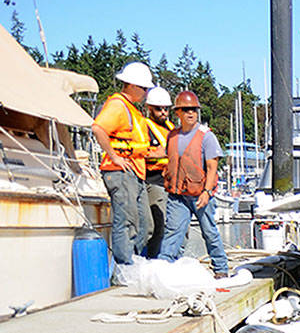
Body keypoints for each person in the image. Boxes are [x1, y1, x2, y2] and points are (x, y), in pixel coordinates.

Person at [156, 90, 228, 277]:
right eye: (186, 110)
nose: (191, 113)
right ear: (177, 112)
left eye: (194, 110)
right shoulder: (172, 135)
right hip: (178, 195)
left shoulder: (206, 136)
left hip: (200, 194)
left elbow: (212, 167)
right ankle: (164, 270)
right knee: (173, 232)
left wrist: (207, 192)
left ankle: (221, 269)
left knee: (209, 232)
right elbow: (165, 155)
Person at [91, 61, 153, 266]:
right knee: (126, 222)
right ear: (132, 86)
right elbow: (98, 128)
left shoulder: (132, 110)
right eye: (144, 88)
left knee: (144, 224)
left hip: (136, 171)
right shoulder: (118, 106)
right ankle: (125, 268)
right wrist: (115, 156)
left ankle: (133, 261)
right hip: (121, 171)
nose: (146, 93)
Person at [140, 87, 174, 258]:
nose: (163, 113)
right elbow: (139, 151)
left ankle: (167, 258)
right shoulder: (144, 127)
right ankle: (150, 258)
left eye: (166, 109)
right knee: (156, 226)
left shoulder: (170, 127)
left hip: (170, 182)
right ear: (149, 108)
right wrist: (156, 154)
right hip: (153, 180)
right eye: (159, 109)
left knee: (172, 225)